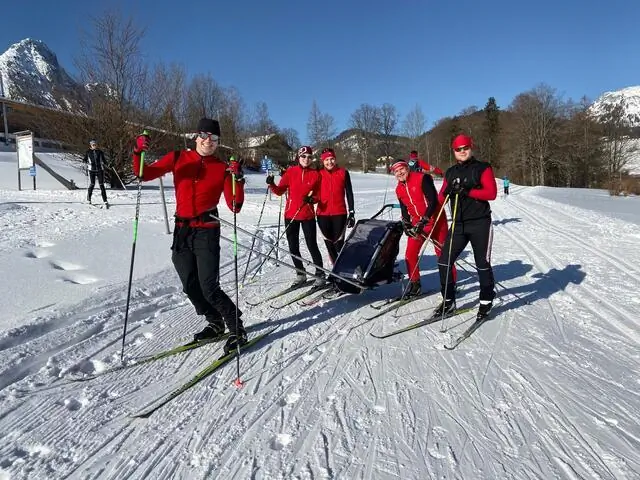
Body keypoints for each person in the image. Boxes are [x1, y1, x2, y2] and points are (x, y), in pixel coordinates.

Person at [131, 118, 247, 352]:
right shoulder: (177, 158)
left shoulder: (222, 168)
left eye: (214, 138)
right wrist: (137, 152)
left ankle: (237, 328)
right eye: (205, 136)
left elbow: (235, 205)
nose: (209, 141)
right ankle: (215, 323)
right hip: (182, 230)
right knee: (190, 285)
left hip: (207, 231)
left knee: (209, 286)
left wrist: (238, 179)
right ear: (196, 137)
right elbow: (143, 173)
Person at [435, 134, 497, 320]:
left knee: (482, 264)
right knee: (444, 261)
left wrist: (467, 191)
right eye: (458, 149)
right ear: (453, 151)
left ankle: (486, 299)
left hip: (480, 223)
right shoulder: (451, 172)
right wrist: (446, 191)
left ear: (471, 147)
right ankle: (448, 300)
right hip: (459, 224)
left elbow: (491, 193)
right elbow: (440, 198)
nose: (462, 151)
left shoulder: (483, 168)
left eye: (465, 148)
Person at [391, 159, 456, 297]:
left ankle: (451, 284)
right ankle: (415, 285)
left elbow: (433, 200)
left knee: (442, 254)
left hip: (436, 220)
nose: (399, 173)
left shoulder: (422, 178)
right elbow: (404, 210)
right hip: (417, 223)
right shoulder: (399, 189)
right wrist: (407, 224)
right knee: (410, 254)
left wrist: (424, 219)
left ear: (407, 168)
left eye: (401, 169)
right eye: (396, 171)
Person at [267, 146, 324, 287]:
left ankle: (320, 273)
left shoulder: (316, 174)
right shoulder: (291, 172)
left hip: (307, 215)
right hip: (291, 214)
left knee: (312, 245)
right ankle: (300, 273)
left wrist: (313, 199)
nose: (306, 159)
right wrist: (272, 184)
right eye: (303, 156)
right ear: (298, 157)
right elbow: (280, 191)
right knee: (293, 247)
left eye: (309, 157)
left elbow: (319, 195)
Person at [316, 148, 355, 265]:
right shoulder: (318, 174)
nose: (329, 162)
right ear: (322, 161)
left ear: (335, 159)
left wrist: (352, 212)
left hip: (340, 213)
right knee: (329, 244)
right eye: (326, 160)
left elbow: (349, 193)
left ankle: (344, 267)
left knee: (338, 243)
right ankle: (336, 271)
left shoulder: (343, 173)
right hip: (322, 214)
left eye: (332, 159)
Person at [83, 139, 109, 208]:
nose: (95, 146)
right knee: (92, 184)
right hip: (92, 170)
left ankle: (105, 200)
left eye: (95, 144)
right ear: (91, 145)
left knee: (101, 185)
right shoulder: (88, 152)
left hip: (100, 170)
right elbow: (85, 158)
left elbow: (104, 160)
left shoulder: (100, 152)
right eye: (93, 145)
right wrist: (84, 161)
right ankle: (89, 199)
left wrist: (108, 164)